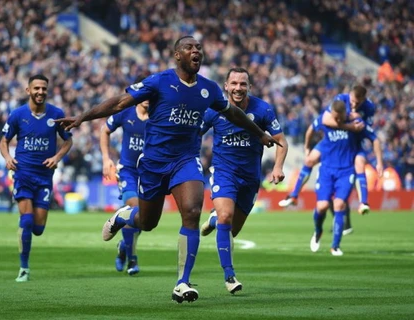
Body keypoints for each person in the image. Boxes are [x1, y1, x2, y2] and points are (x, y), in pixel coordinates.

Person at [56, 36, 280, 303]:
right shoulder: (159, 81)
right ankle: (124, 217)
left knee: (193, 212)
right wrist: (82, 117)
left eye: (199, 47)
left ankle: (182, 283)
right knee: (148, 223)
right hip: (153, 163)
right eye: (189, 47)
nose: (196, 50)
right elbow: (118, 103)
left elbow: (233, 113)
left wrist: (260, 134)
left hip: (185, 160)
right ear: (177, 55)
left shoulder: (208, 89)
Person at [199, 67, 288, 294]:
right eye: (234, 84)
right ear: (226, 86)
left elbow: (281, 141)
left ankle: (213, 219)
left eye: (243, 84)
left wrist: (278, 167)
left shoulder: (263, 109)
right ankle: (229, 276)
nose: (238, 88)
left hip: (250, 178)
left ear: (249, 87)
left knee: (231, 231)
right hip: (223, 171)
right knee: (226, 217)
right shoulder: (214, 108)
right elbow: (193, 133)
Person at [0, 74, 73, 282]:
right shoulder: (17, 115)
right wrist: (7, 158)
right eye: (36, 88)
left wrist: (57, 157)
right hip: (23, 173)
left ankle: (27, 226)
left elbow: (68, 142)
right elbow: (3, 141)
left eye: (43, 89)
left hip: (44, 176)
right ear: (28, 90)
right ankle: (24, 268)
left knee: (38, 229)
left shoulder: (56, 114)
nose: (40, 92)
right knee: (28, 220)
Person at [279, 85, 382, 222]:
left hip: (353, 143)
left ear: (364, 99)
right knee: (309, 160)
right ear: (349, 94)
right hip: (331, 142)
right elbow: (325, 120)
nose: (353, 104)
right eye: (351, 101)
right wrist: (349, 125)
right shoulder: (340, 100)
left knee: (359, 163)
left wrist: (379, 162)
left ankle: (363, 202)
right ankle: (293, 195)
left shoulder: (369, 108)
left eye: (357, 103)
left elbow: (367, 131)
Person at [308, 101, 382, 256]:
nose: (337, 120)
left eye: (339, 117)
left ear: (344, 114)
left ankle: (335, 246)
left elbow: (374, 137)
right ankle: (318, 230)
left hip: (346, 171)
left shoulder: (356, 123)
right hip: (327, 169)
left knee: (339, 205)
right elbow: (311, 129)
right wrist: (307, 147)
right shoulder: (326, 121)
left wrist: (378, 161)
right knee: (321, 206)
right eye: (334, 117)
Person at [100, 98, 149, 276]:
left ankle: (123, 247)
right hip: (127, 171)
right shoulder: (125, 112)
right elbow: (104, 130)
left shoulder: (158, 115)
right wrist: (106, 158)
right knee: (134, 208)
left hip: (149, 175)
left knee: (144, 219)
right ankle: (133, 259)